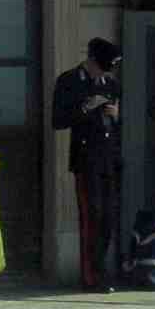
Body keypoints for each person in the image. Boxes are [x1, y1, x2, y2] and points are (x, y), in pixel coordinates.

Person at [52, 37, 124, 290]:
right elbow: (58, 120)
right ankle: (90, 276)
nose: (104, 74)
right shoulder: (70, 81)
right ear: (91, 60)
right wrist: (85, 107)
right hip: (86, 158)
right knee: (91, 216)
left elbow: (118, 123)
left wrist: (116, 116)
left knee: (107, 218)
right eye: (101, 67)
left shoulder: (110, 83)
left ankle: (103, 270)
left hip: (108, 157)